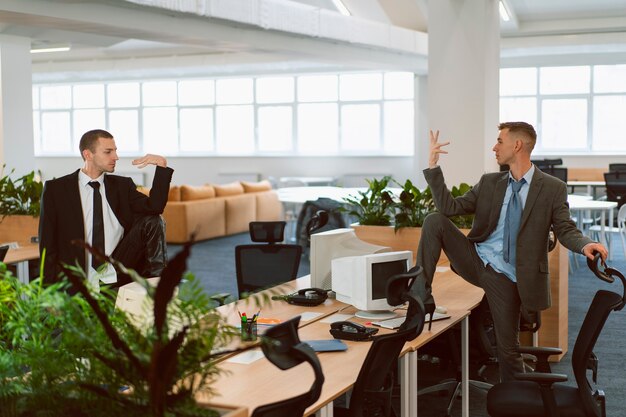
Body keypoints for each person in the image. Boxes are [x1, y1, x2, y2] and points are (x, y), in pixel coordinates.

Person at [416, 122, 608, 382]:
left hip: (507, 277)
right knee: (434, 220)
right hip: (477, 259)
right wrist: (433, 166)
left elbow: (565, 229)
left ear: (517, 145)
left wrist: (585, 244)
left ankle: (517, 399)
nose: (494, 147)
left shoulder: (552, 188)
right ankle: (419, 299)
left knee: (508, 351)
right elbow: (449, 208)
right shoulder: (490, 182)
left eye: (499, 141)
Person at [39, 129, 174, 291]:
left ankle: (157, 286)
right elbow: (47, 244)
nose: (115, 157)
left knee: (154, 220)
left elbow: (155, 208)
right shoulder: (57, 190)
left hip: (117, 269)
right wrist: (49, 292)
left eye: (115, 151)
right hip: (77, 274)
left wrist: (162, 166)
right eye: (108, 152)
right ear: (88, 154)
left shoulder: (122, 186)